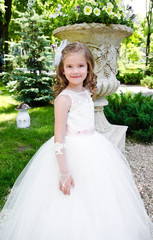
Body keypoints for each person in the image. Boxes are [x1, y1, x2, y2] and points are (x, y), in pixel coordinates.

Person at [0, 42, 152, 240]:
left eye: (80, 66)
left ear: (88, 67)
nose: (75, 71)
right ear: (62, 70)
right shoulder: (64, 99)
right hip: (70, 152)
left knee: (98, 197)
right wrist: (63, 172)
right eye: (69, 66)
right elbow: (59, 136)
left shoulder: (87, 92)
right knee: (71, 200)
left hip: (92, 147)